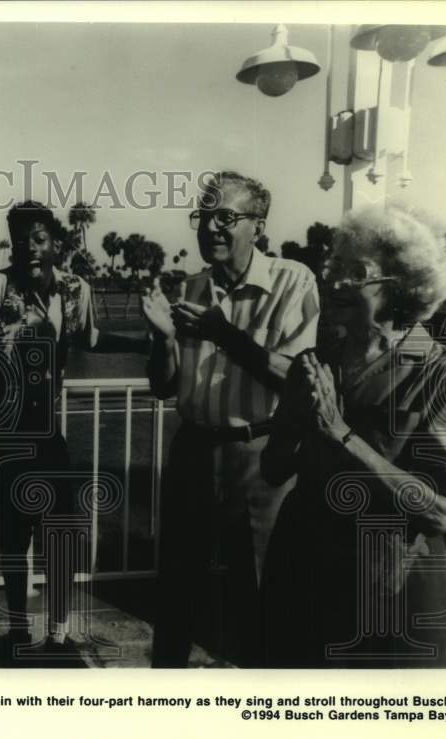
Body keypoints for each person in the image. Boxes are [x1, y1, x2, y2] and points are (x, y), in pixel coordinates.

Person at [261, 205, 446, 668]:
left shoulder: (441, 373)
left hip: (390, 584)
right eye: (336, 269)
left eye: (357, 272)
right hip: (303, 566)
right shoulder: (314, 362)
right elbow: (272, 470)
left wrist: (339, 433)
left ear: (401, 287)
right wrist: (293, 416)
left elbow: (440, 511)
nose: (336, 282)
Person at [144, 170, 320, 667]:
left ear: (257, 227)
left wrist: (228, 337)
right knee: (176, 592)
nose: (211, 228)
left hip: (258, 457)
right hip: (194, 452)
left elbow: (297, 377)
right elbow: (162, 385)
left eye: (227, 217)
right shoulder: (192, 286)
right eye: (204, 216)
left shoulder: (293, 280)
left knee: (259, 593)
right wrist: (162, 339)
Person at [0, 200, 145, 663]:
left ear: (55, 243)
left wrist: (148, 342)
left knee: (61, 538)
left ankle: (57, 632)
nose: (30, 248)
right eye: (20, 238)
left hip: (49, 436)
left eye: (40, 238)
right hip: (6, 438)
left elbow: (89, 337)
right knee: (13, 542)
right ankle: (15, 628)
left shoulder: (75, 288)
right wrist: (14, 336)